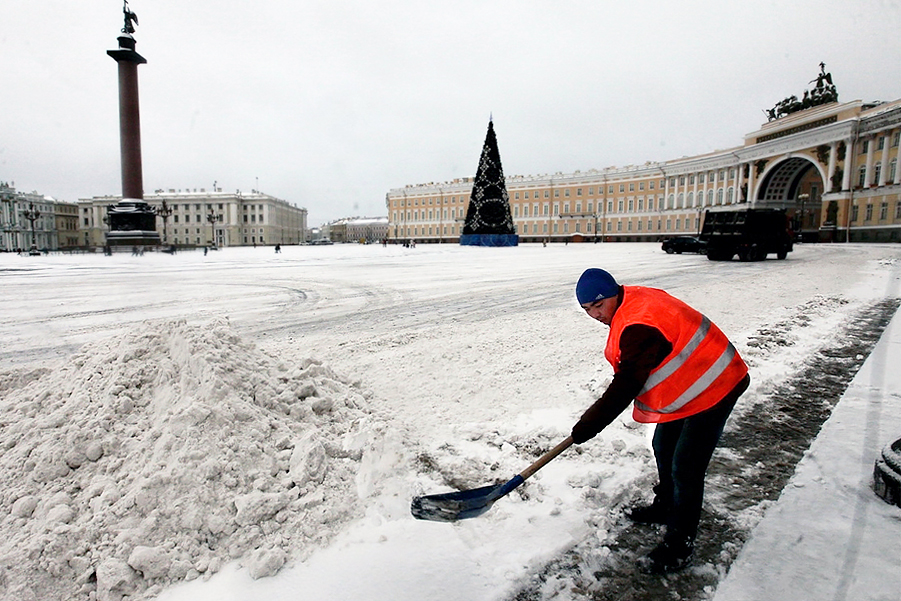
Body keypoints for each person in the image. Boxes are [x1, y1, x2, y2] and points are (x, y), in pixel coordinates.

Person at [571, 268, 750, 574]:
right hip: (692, 381)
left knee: (686, 466)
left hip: (718, 382)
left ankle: (679, 547)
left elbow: (628, 383)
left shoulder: (638, 325)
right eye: (588, 309)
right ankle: (667, 505)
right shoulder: (631, 302)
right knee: (663, 445)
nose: (595, 315)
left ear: (615, 292)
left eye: (599, 306)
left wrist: (589, 424)